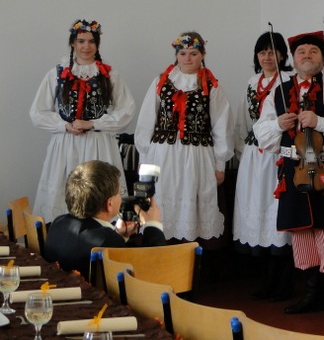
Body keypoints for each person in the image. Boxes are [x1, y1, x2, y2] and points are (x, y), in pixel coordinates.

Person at [253, 28, 324, 322]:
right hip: (293, 171)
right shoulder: (279, 92)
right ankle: (314, 296)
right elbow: (262, 134)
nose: (307, 56)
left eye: (313, 51)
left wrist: (320, 122)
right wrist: (278, 125)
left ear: (323, 57)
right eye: (301, 52)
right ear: (293, 59)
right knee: (302, 236)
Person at [30, 20, 135, 222]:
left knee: (99, 192)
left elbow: (126, 110)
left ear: (97, 44)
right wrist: (64, 125)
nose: (86, 46)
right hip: (65, 145)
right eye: (81, 41)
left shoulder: (109, 75)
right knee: (63, 197)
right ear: (73, 43)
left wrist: (94, 123)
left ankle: (101, 237)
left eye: (91, 41)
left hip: (99, 144)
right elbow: (37, 112)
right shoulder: (57, 73)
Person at [135, 31, 233, 243]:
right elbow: (146, 121)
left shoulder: (211, 85)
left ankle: (188, 253)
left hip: (196, 156)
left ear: (202, 55)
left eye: (193, 53)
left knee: (192, 205)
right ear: (176, 55)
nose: (187, 58)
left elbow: (221, 126)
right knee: (163, 203)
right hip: (163, 155)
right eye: (183, 53)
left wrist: (220, 165)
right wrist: (144, 159)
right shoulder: (162, 81)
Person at [232, 31, 295, 301]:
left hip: (276, 155)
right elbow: (242, 122)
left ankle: (282, 281)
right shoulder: (251, 82)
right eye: (262, 52)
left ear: (282, 54)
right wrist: (242, 152)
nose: (267, 57)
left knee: (275, 210)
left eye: (272, 51)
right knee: (256, 210)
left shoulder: (289, 82)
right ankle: (266, 279)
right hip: (253, 156)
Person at [43, 160, 166, 280]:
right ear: (109, 204)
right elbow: (151, 270)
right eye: (119, 193)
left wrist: (120, 235)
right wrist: (153, 225)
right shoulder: (109, 241)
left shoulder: (58, 223)